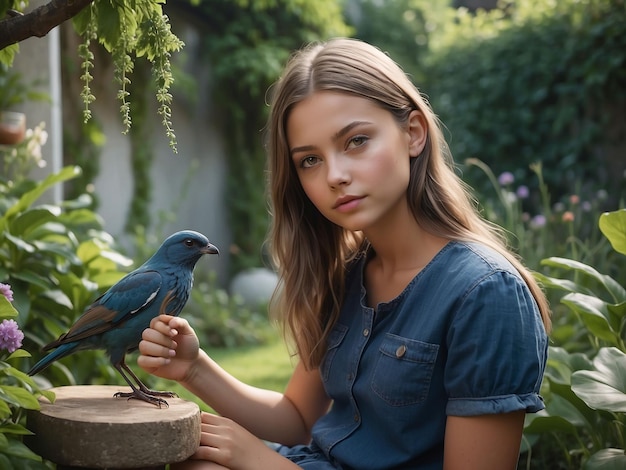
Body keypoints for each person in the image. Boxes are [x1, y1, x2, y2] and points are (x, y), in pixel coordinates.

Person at [137, 37, 551, 469]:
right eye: (310, 160)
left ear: (413, 133)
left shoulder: (486, 294)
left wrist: (260, 462)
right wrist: (194, 367)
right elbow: (298, 418)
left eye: (355, 141)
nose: (334, 175)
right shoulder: (347, 274)